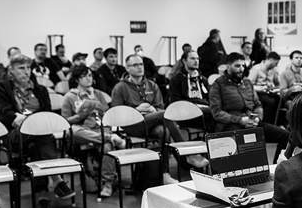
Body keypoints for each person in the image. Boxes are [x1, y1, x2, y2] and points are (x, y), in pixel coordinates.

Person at [0, 54, 75, 208]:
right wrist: (28, 120)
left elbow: (47, 113)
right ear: (11, 70)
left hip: (38, 134)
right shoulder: (2, 87)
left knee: (36, 145)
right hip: (14, 135)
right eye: (21, 68)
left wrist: (29, 119)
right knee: (41, 135)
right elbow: (5, 114)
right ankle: (57, 179)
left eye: (28, 68)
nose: (26, 71)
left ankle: (42, 196)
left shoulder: (41, 90)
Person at [208, 53, 289, 162]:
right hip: (230, 124)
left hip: (251, 122)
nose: (241, 69)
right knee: (244, 145)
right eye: (237, 66)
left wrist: (257, 118)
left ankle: (278, 167)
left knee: (286, 136)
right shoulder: (218, 85)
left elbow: (258, 104)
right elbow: (216, 112)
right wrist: (240, 120)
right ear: (228, 67)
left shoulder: (247, 82)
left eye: (243, 66)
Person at [110, 54, 177, 184]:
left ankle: (164, 173)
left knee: (164, 131)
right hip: (131, 126)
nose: (140, 67)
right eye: (135, 65)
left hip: (150, 123)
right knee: (166, 114)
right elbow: (116, 114)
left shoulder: (152, 85)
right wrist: (136, 111)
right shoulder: (120, 87)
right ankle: (185, 153)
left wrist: (153, 110)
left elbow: (160, 107)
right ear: (127, 68)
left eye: (141, 64)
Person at [61, 66, 126, 199]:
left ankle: (108, 183)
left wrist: (93, 99)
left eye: (90, 75)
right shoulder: (69, 96)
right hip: (82, 130)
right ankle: (110, 138)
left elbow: (107, 114)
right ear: (77, 79)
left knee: (107, 146)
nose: (88, 78)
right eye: (84, 76)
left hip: (99, 127)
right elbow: (65, 121)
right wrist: (81, 115)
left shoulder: (98, 94)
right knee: (72, 131)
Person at [166, 50, 212, 169]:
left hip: (205, 113)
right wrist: (195, 105)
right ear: (184, 61)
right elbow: (176, 103)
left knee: (218, 117)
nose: (196, 61)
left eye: (197, 58)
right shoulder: (176, 80)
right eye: (192, 58)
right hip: (185, 115)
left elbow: (210, 99)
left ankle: (214, 156)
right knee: (215, 116)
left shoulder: (203, 79)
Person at [248, 51, 281, 125]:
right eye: (276, 63)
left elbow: (276, 82)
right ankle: (266, 122)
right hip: (257, 93)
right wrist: (260, 88)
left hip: (267, 91)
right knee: (270, 101)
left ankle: (275, 122)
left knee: (279, 98)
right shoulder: (256, 69)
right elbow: (249, 85)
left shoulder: (272, 70)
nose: (276, 65)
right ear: (271, 60)